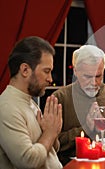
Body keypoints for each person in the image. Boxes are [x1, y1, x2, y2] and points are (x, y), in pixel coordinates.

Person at [52, 45, 105, 165]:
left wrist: (104, 128)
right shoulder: (60, 98)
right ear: (75, 71)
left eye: (98, 76)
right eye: (88, 76)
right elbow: (52, 144)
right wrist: (85, 128)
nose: (94, 82)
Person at [0, 36, 63, 169]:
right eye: (46, 71)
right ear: (25, 70)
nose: (50, 79)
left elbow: (50, 151)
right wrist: (50, 133)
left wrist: (52, 133)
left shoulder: (29, 102)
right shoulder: (6, 107)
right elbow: (27, 161)